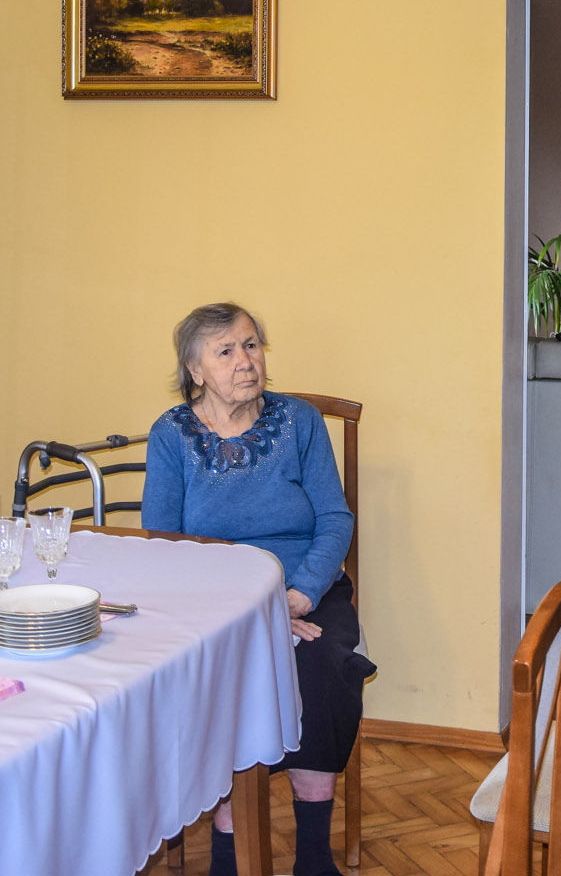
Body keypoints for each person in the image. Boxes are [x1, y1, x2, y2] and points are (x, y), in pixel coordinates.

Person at [142, 303, 375, 876]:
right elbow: (162, 544)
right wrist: (249, 614)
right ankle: (229, 854)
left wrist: (299, 594)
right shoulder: (171, 434)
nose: (245, 361)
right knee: (220, 673)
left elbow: (334, 519)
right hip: (214, 603)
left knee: (318, 661)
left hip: (306, 590)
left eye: (251, 345)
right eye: (225, 351)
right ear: (195, 370)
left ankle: (313, 857)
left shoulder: (299, 421)